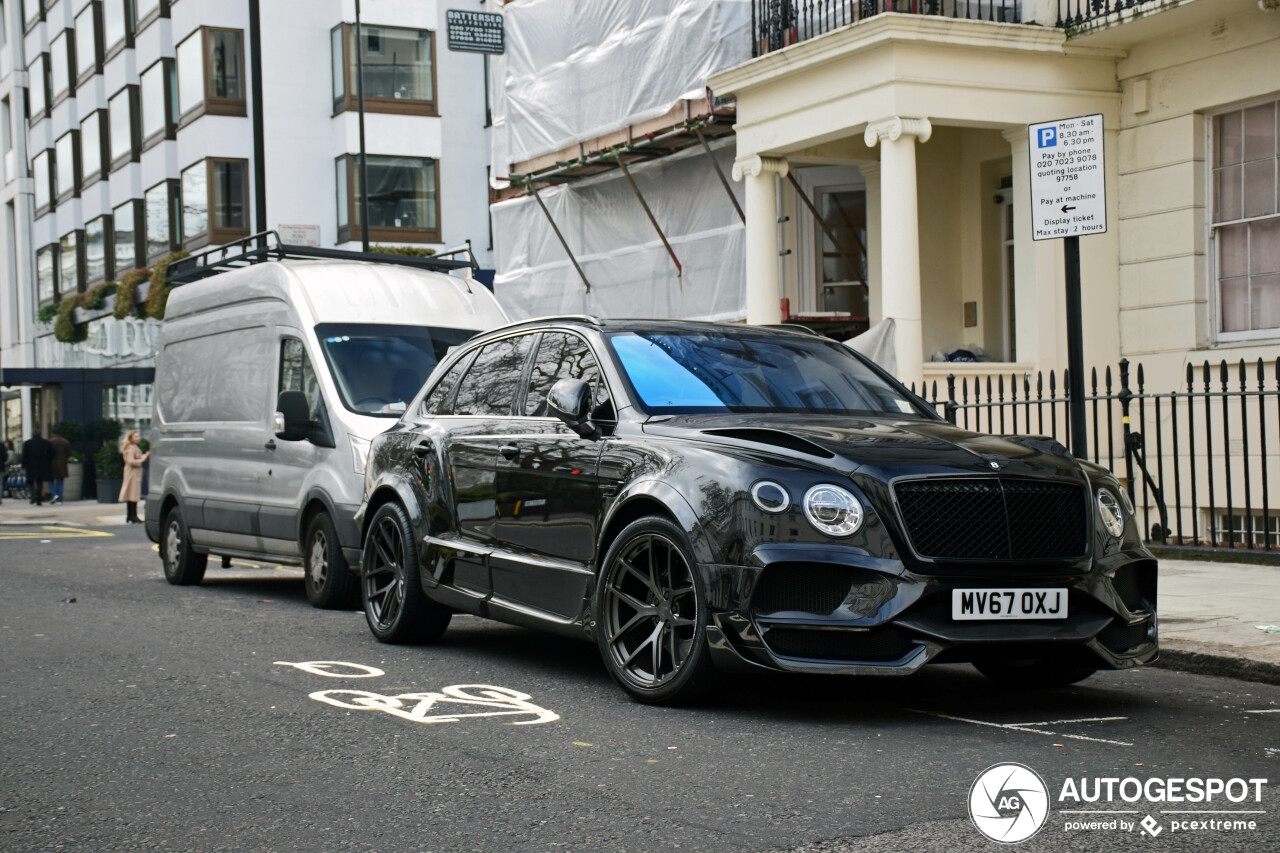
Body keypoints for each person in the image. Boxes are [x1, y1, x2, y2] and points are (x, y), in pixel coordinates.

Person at [118, 430, 149, 523]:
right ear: (130, 438)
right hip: (133, 473)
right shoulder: (131, 448)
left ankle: (130, 516)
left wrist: (144, 456)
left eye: (138, 436)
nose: (137, 438)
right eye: (135, 436)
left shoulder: (133, 447)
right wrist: (142, 460)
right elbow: (131, 461)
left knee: (131, 495)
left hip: (132, 473)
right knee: (133, 495)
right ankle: (133, 516)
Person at [22, 429, 54, 506]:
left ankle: (33, 495)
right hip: (42, 465)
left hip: (30, 465)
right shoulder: (46, 443)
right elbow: (51, 453)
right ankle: (37, 497)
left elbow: (24, 456)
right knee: (39, 481)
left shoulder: (27, 443)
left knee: (30, 481)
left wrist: (23, 466)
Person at [49, 429, 71, 504]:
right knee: (60, 481)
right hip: (62, 463)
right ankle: (60, 499)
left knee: (50, 480)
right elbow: (69, 453)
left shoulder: (50, 442)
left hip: (52, 464)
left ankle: (54, 493)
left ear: (53, 434)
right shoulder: (65, 442)